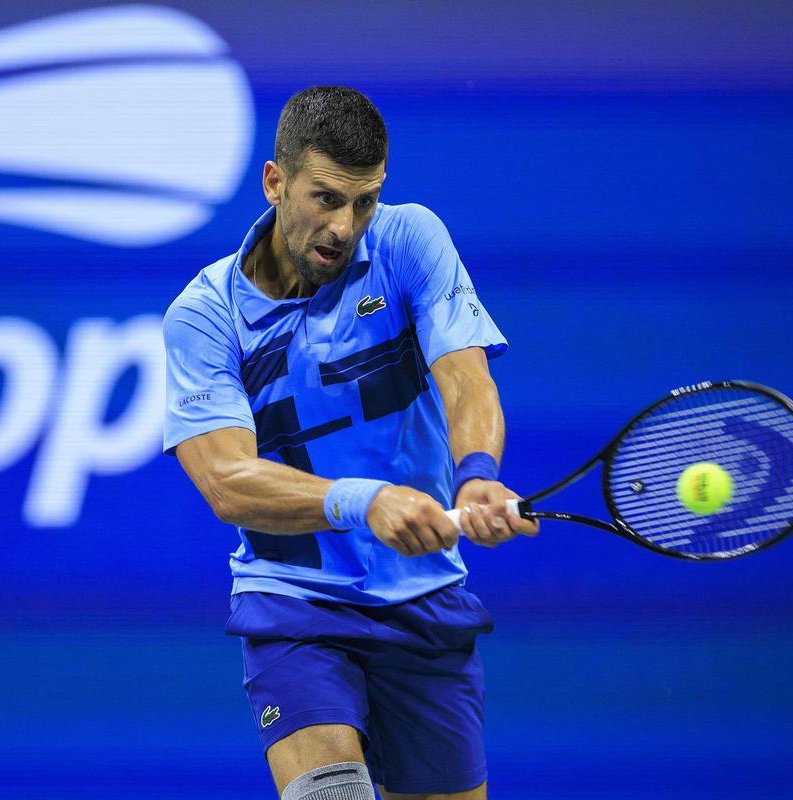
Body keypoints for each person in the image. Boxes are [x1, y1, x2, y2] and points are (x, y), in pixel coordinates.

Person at [162, 86, 537, 800]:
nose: (346, 225)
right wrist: (364, 502)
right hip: (295, 604)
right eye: (326, 198)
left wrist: (478, 475)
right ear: (275, 183)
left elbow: (465, 381)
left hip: (422, 603)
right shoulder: (206, 316)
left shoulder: (408, 240)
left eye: (365, 202)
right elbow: (228, 482)